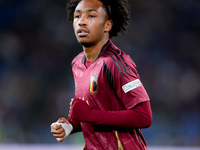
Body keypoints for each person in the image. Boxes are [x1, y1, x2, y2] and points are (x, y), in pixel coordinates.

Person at [51, 0, 152, 149]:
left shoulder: (116, 63)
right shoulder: (77, 63)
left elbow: (143, 116)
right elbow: (94, 111)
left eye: (91, 16)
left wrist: (88, 115)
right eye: (77, 16)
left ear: (108, 25)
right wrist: (71, 126)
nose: (82, 22)